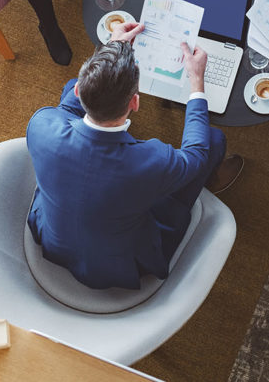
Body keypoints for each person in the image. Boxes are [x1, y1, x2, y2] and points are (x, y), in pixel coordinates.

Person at [25, 20, 244, 290]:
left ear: (80, 91)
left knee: (68, 87)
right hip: (122, 264)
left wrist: (113, 49)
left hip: (55, 240)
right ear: (135, 103)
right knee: (213, 139)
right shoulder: (151, 162)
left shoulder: (41, 124)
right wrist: (196, 83)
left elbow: (68, 105)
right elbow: (196, 155)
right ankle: (211, 182)